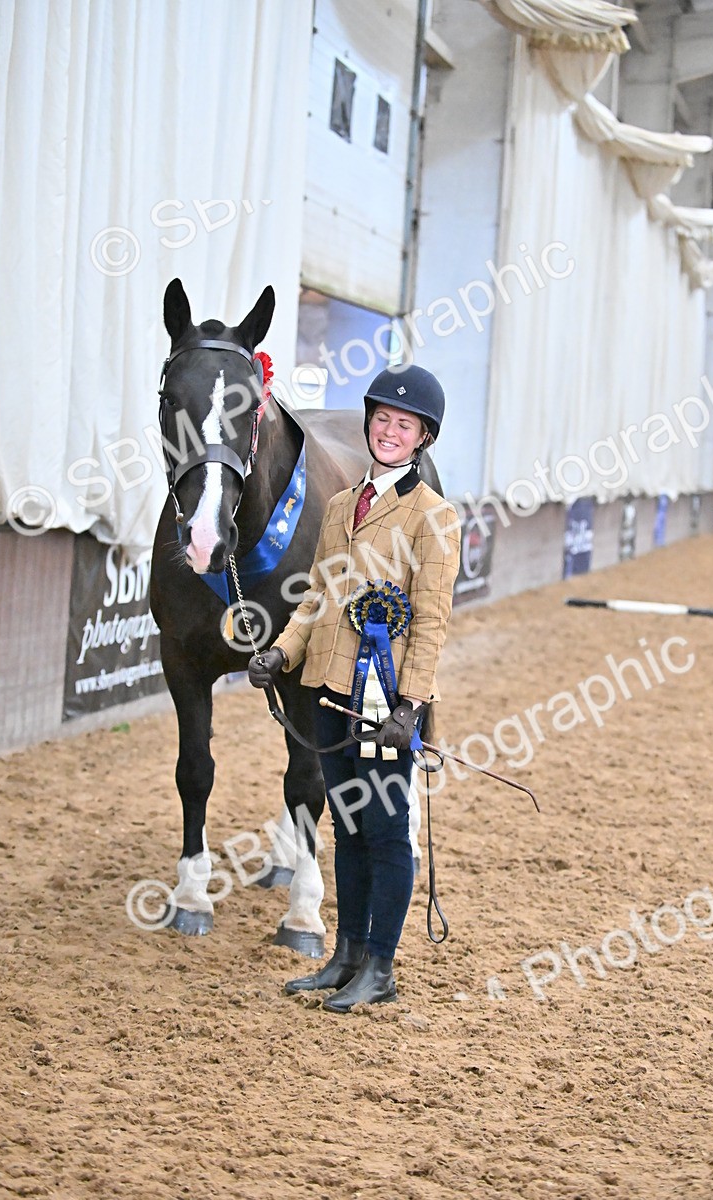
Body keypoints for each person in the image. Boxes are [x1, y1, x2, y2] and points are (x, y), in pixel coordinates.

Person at [249, 364, 460, 1013]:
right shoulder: (342, 507)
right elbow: (317, 596)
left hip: (383, 703)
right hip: (327, 692)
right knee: (347, 825)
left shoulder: (433, 517)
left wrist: (411, 704)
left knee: (387, 830)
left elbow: (431, 622)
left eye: (404, 425)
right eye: (382, 419)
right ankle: (344, 954)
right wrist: (282, 650)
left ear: (422, 438)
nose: (389, 432)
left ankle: (381, 967)